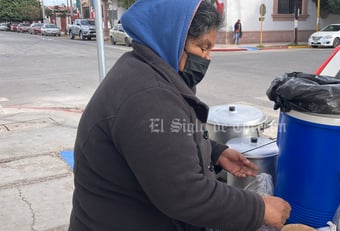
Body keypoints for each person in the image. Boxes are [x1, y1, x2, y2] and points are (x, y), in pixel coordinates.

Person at [69, 1, 291, 231]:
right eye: (201, 47)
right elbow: (186, 194)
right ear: (172, 37)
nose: (206, 59)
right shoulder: (149, 96)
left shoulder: (143, 70)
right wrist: (259, 208)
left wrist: (216, 153)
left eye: (210, 50)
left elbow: (163, 143)